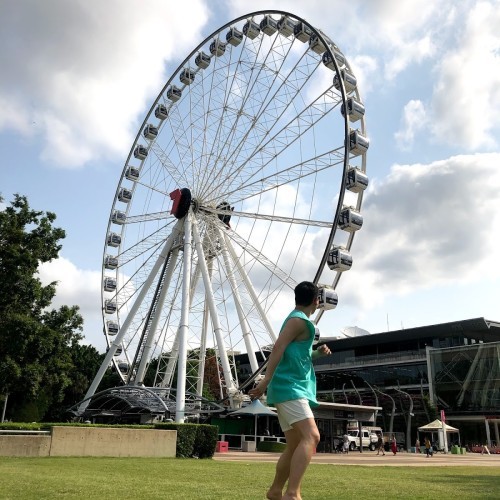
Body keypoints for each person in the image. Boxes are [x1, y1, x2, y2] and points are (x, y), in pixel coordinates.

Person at [249, 281, 331, 500]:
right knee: (312, 436)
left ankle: (276, 490)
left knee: (295, 444)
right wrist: (265, 380)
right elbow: (278, 347)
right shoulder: (299, 321)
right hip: (290, 388)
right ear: (316, 301)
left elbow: (296, 354)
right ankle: (292, 494)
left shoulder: (296, 321)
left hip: (288, 388)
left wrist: (316, 354)